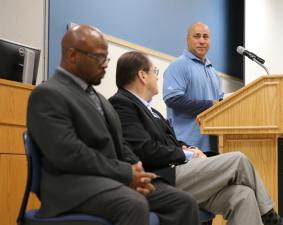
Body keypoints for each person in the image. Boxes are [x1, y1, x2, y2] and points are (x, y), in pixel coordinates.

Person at [27, 24, 201, 225]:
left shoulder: (99, 98)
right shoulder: (48, 94)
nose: (105, 65)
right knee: (133, 204)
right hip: (72, 187)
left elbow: (120, 143)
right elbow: (70, 154)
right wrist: (125, 174)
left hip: (111, 180)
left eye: (106, 58)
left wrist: (136, 169)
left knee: (183, 202)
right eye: (99, 58)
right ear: (73, 55)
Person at [109, 50, 283, 225]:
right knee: (238, 160)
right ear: (142, 76)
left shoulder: (151, 110)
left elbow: (168, 141)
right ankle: (270, 217)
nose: (157, 77)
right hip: (162, 177)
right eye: (155, 72)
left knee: (243, 195)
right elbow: (144, 150)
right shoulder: (122, 104)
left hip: (181, 172)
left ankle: (268, 216)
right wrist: (184, 154)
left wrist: (187, 148)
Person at [163, 22, 223, 155]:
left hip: (214, 144)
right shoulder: (178, 66)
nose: (202, 41)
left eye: (205, 37)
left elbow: (221, 104)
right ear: (187, 40)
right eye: (197, 36)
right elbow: (173, 99)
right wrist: (211, 104)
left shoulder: (214, 72)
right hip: (188, 146)